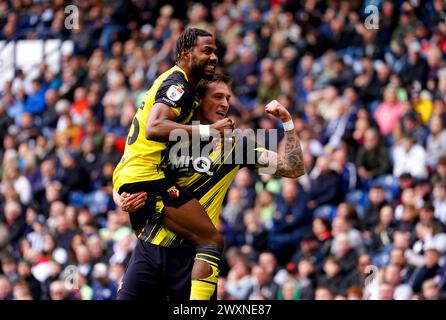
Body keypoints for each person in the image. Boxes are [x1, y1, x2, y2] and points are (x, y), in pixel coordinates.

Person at [115, 74, 305, 300]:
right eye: (217, 97)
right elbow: (126, 171)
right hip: (150, 246)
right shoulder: (170, 134)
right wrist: (121, 200)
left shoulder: (236, 145)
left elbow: (293, 168)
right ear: (198, 99)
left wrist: (287, 122)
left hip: (195, 256)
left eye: (227, 98)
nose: (225, 103)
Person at [112, 28, 234, 300]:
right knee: (210, 240)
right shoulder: (177, 85)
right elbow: (154, 127)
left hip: (135, 177)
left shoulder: (182, 85)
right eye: (206, 51)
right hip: (148, 179)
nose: (213, 56)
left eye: (215, 51)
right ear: (185, 54)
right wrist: (211, 131)